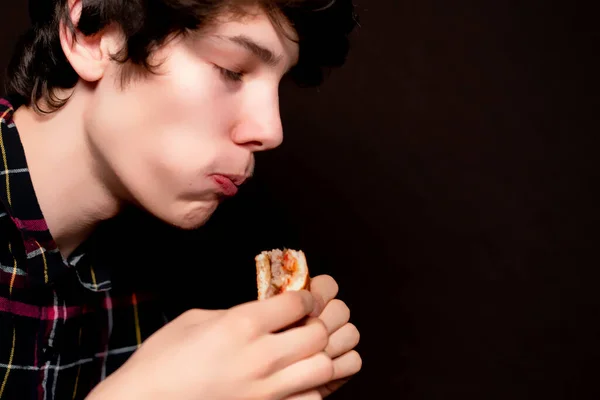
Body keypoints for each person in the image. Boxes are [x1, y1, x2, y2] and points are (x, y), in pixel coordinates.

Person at [0, 0, 360, 399]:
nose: (271, 131)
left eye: (278, 87)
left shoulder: (175, 265)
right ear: (91, 34)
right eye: (231, 70)